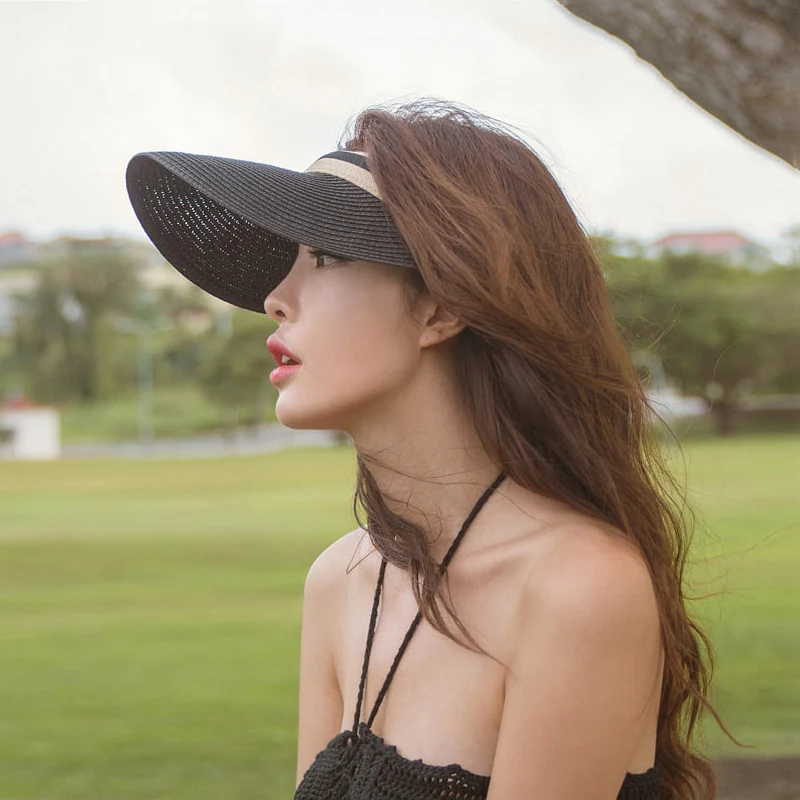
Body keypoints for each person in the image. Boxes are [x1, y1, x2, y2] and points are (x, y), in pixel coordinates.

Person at [126, 97, 724, 799]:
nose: (275, 298)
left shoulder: (577, 588)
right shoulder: (342, 579)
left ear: (441, 307)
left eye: (325, 256)